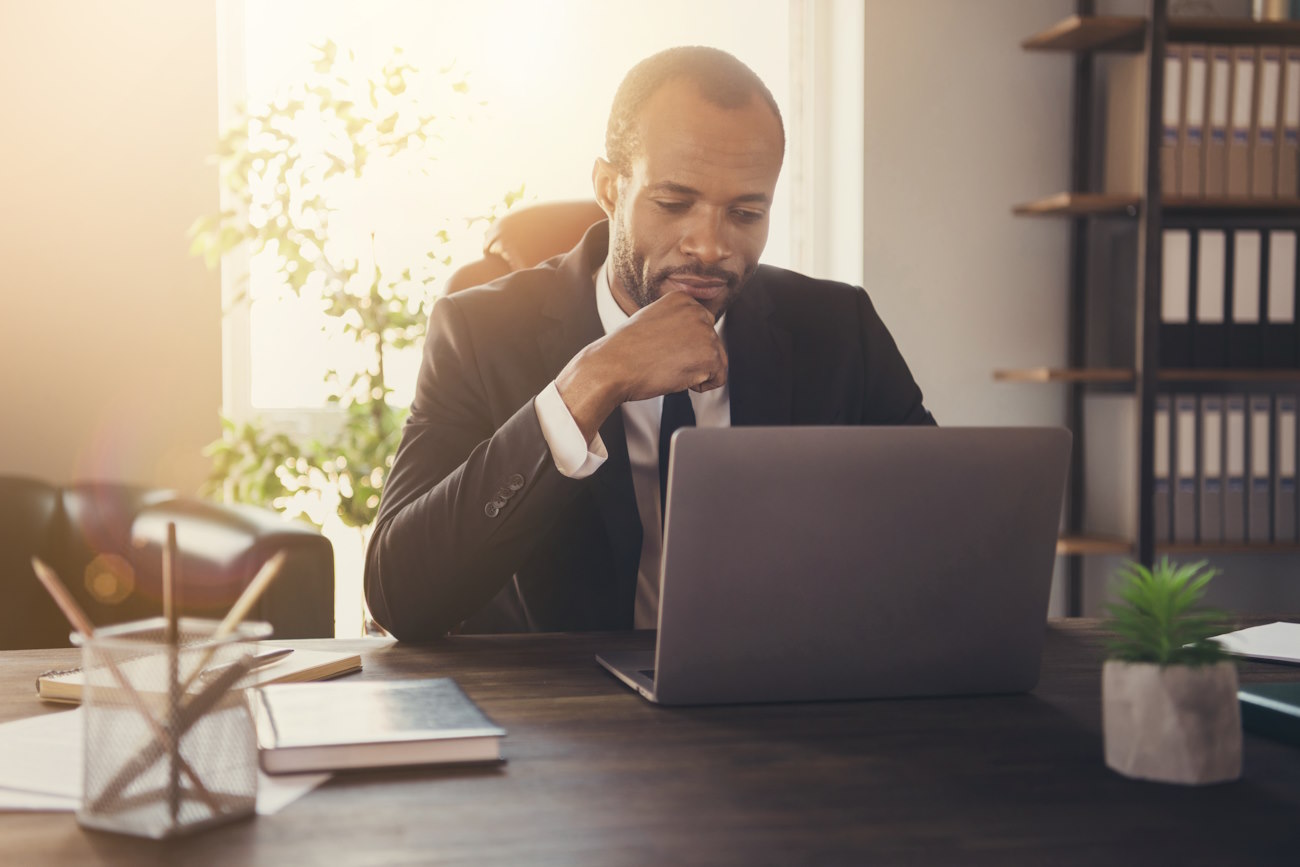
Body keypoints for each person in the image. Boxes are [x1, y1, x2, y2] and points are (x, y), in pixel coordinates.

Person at [365, 46, 935, 640]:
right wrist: (589, 383)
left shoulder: (839, 329)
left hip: (782, 703)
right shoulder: (480, 332)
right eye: (674, 203)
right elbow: (400, 595)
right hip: (567, 714)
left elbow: (942, 536)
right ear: (610, 188)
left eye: (745, 213)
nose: (710, 246)